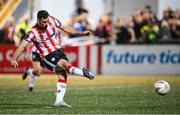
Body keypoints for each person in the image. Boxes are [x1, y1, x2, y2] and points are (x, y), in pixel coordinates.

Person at [11, 10, 94, 107]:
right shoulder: (32, 32)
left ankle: (59, 101)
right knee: (64, 64)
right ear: (38, 20)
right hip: (47, 55)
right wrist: (14, 59)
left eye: (47, 21)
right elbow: (21, 46)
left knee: (63, 74)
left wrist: (82, 33)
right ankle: (83, 73)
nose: (46, 24)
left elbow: (66, 28)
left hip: (59, 50)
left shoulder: (52, 20)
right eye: (43, 22)